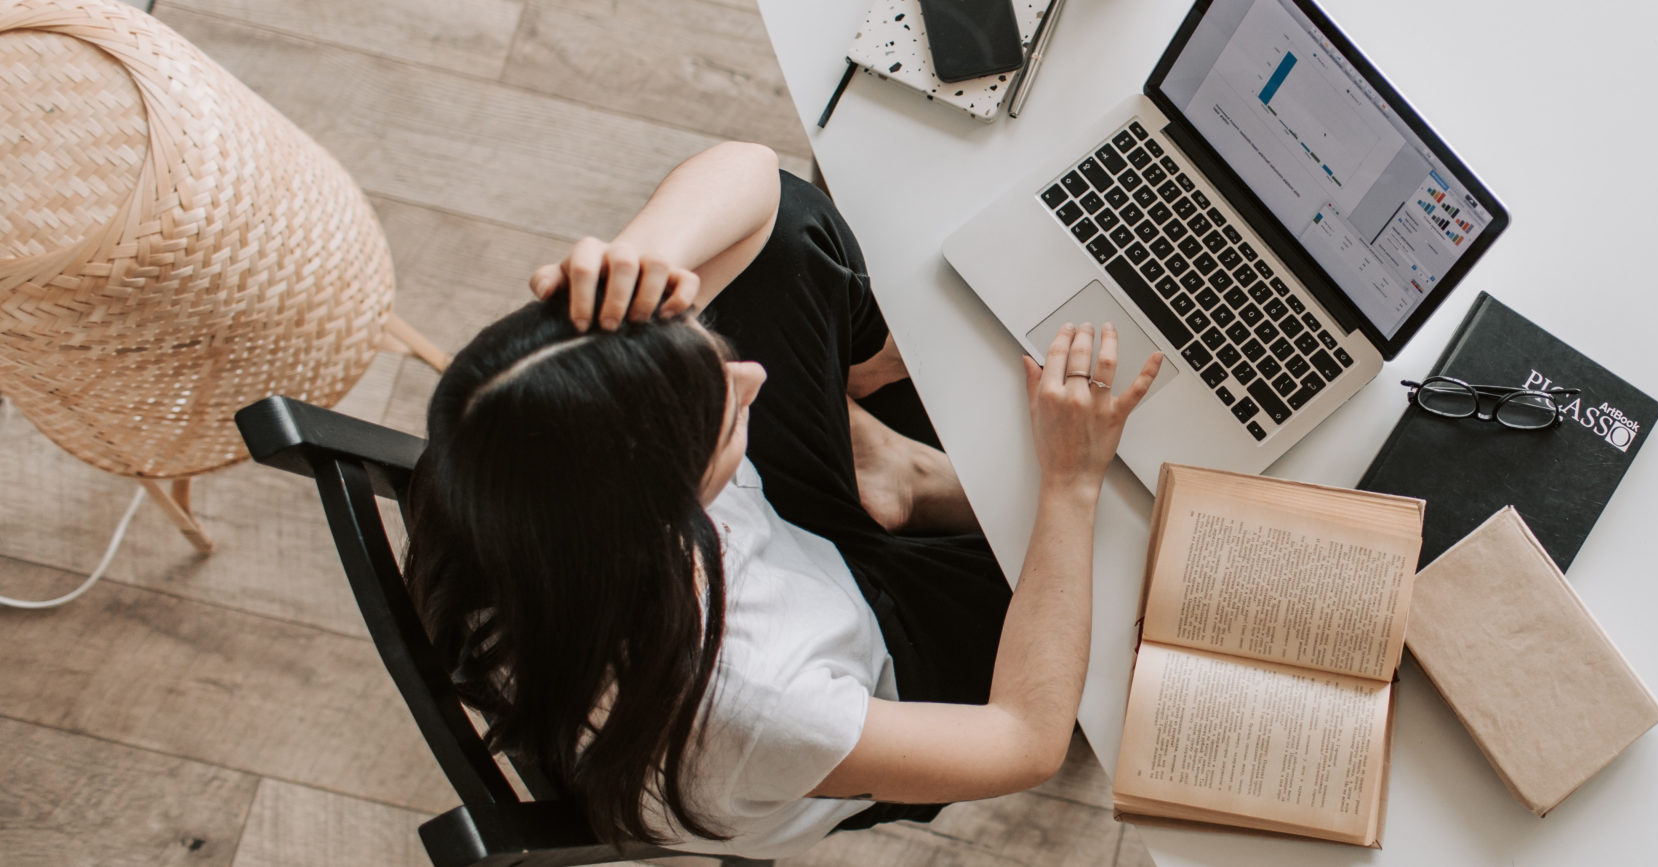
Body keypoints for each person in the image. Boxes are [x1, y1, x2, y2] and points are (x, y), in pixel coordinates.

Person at [402, 141, 1162, 860]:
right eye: (722, 408)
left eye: (706, 353)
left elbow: (757, 181)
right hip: (873, 662)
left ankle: (890, 473)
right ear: (672, 511)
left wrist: (643, 256)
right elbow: (1023, 739)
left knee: (792, 230)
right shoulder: (762, 703)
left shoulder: (498, 453)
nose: (752, 379)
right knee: (1126, 576)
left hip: (772, 562)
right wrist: (1069, 480)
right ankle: (899, 476)